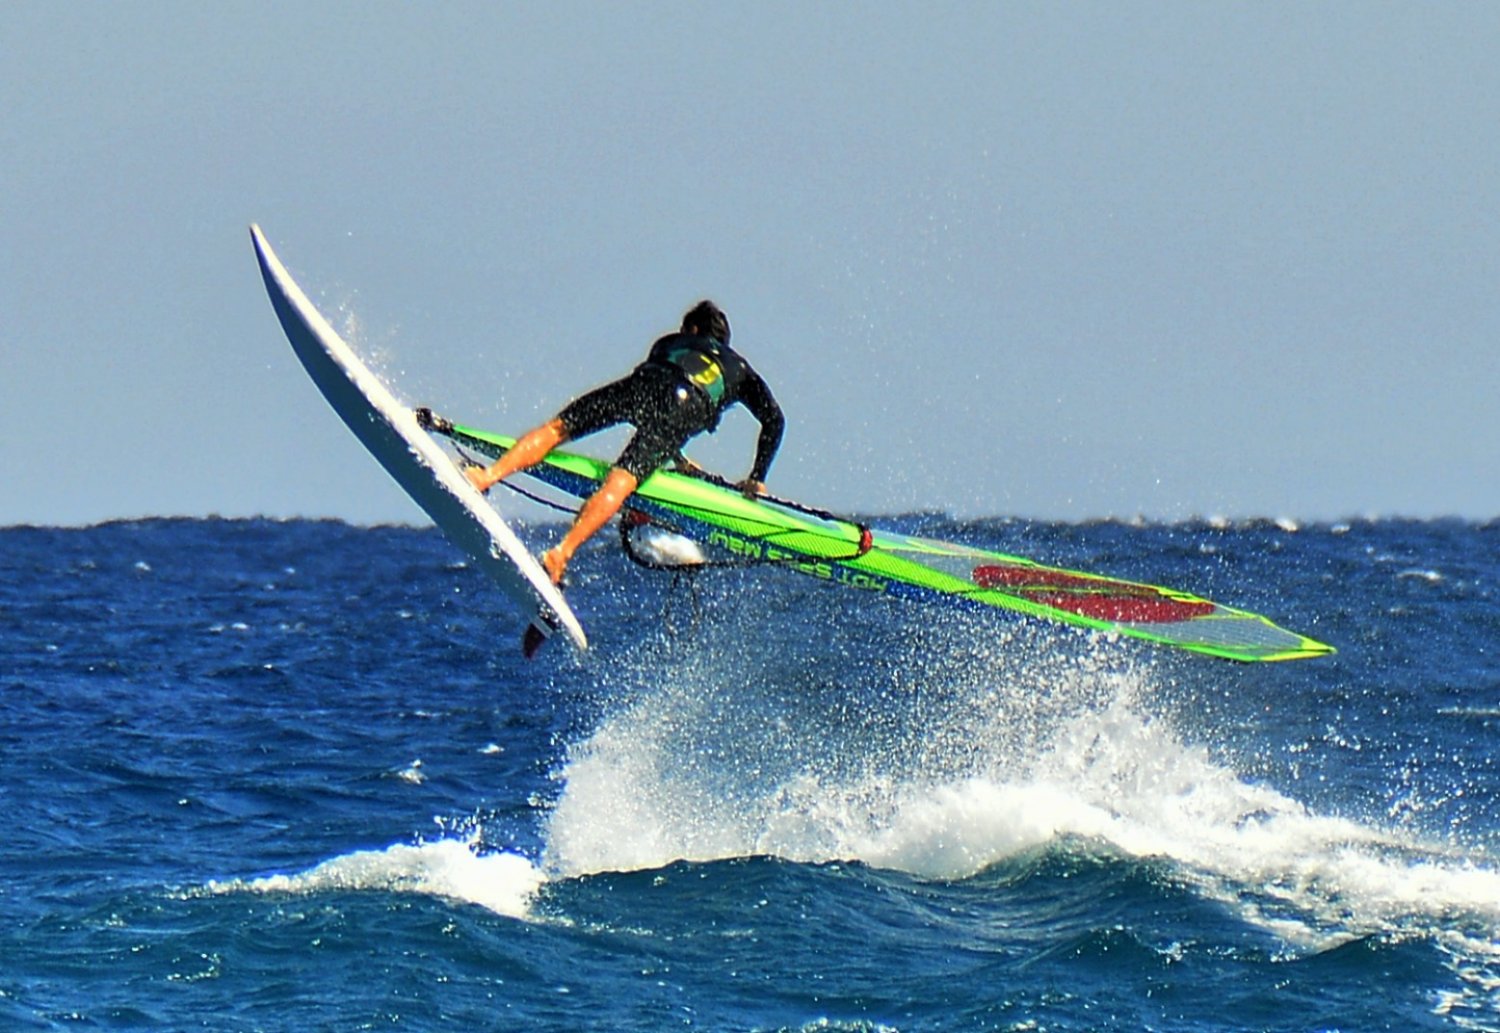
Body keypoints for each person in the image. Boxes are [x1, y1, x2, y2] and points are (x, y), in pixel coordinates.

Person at [465, 300, 784, 586]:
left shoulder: (669, 342)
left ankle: (486, 476)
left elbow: (653, 403)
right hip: (685, 407)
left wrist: (677, 457)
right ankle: (561, 554)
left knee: (556, 430)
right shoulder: (740, 369)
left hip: (643, 383)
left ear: (694, 329)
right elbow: (774, 419)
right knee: (620, 483)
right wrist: (757, 477)